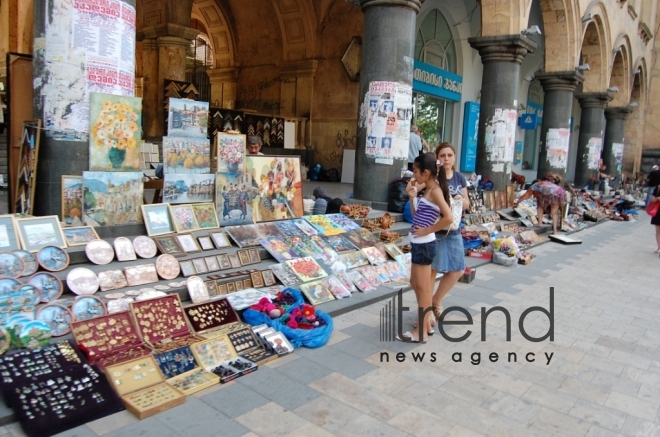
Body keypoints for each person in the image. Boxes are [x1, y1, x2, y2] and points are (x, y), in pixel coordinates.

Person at [397, 153, 452, 343]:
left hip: (425, 245)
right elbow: (416, 214)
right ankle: (426, 324)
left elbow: (449, 218)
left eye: (416, 170)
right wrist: (412, 197)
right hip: (419, 244)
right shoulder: (427, 189)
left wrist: (429, 229)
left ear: (426, 172)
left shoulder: (435, 190)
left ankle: (421, 330)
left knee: (423, 289)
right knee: (417, 284)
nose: (414, 174)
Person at [424, 143, 470, 327]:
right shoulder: (433, 178)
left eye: (450, 155)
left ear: (454, 157)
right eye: (442, 155)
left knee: (458, 269)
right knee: (431, 271)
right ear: (437, 158)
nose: (446, 158)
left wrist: (461, 200)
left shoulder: (459, 178)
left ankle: (437, 299)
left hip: (453, 228)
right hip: (435, 228)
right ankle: (426, 310)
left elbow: (467, 203)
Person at [650, 184, 660, 254]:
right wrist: (657, 198)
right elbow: (652, 199)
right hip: (658, 211)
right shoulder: (658, 187)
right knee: (658, 231)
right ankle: (659, 247)